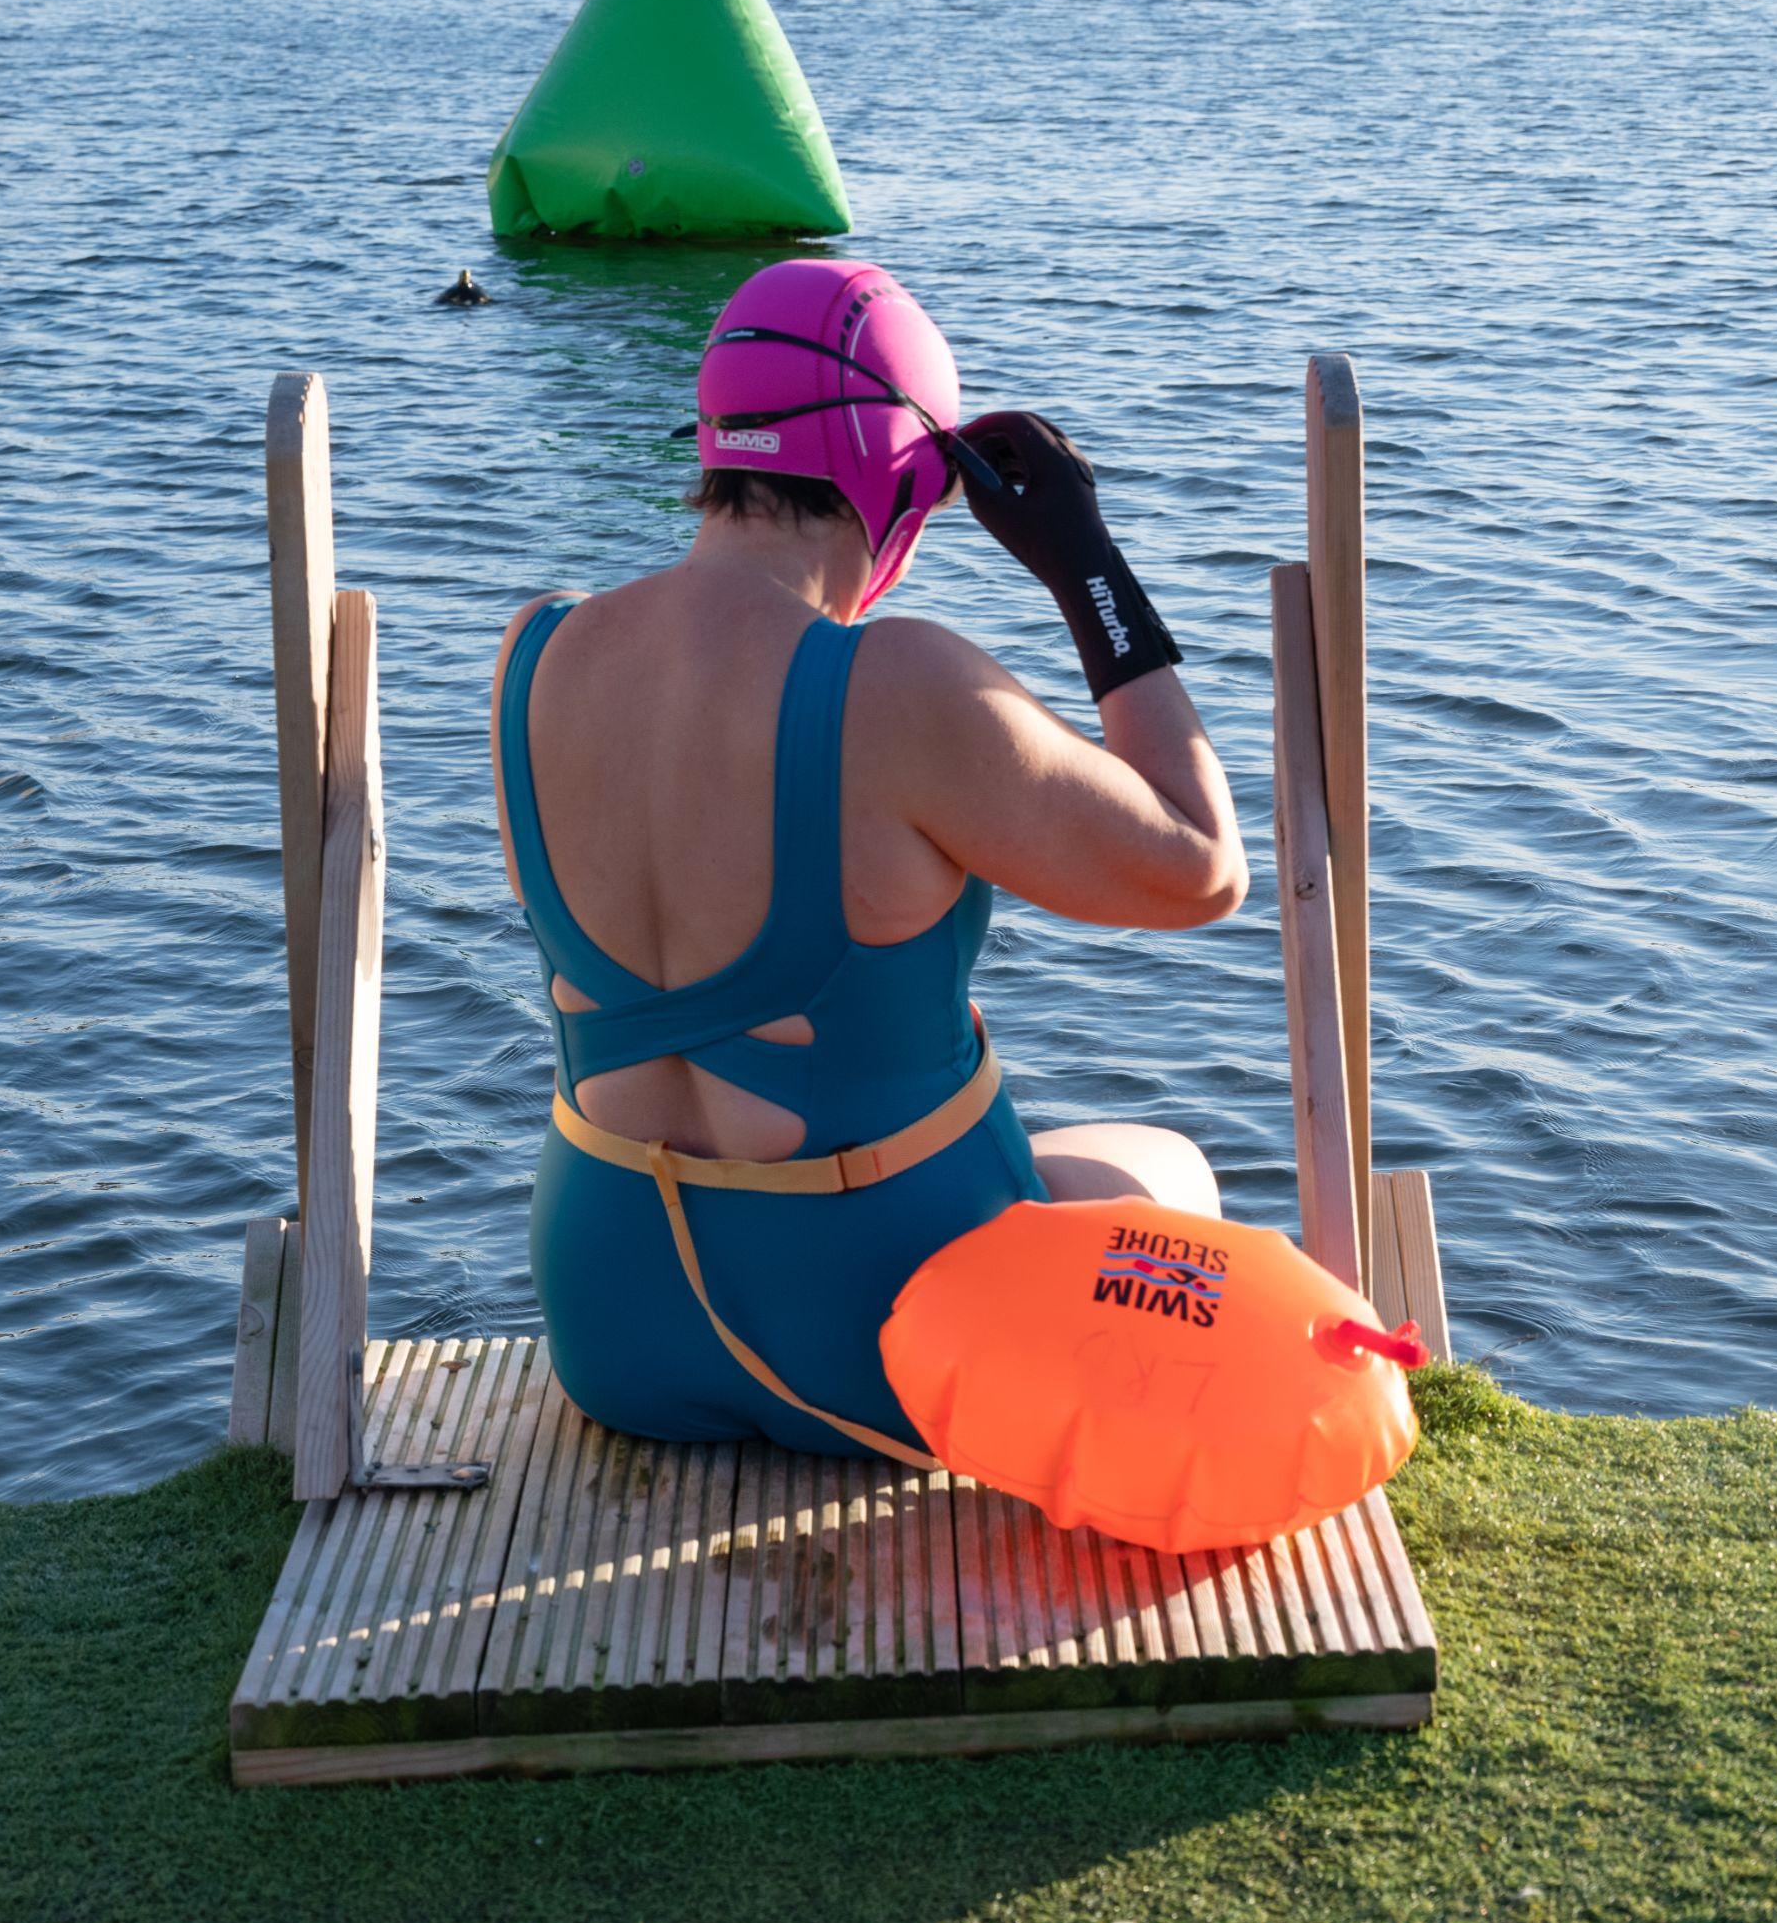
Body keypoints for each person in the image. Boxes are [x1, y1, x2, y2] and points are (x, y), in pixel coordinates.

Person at [491, 258, 1248, 1463]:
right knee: (1165, 1173)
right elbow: (1203, 867)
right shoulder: (899, 684)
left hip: (610, 1316)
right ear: (894, 473)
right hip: (881, 1336)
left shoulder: (537, 653)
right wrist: (1081, 566)